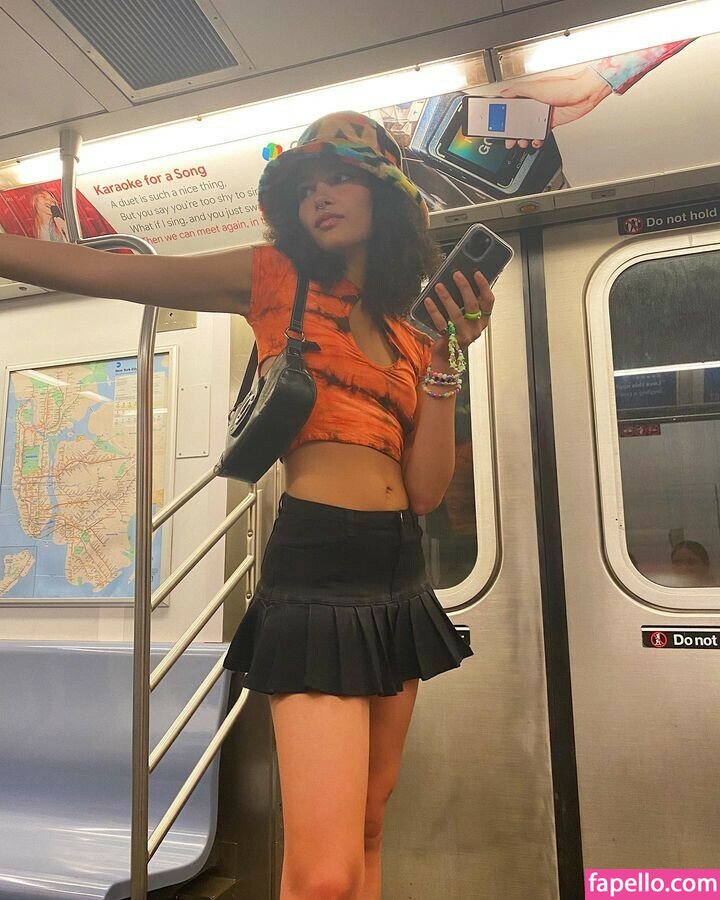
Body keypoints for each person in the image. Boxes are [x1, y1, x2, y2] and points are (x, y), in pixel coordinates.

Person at [0, 110, 494, 899]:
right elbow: (107, 273)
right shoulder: (274, 277)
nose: (320, 194)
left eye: (343, 176)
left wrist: (447, 364)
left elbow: (426, 491)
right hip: (317, 566)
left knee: (370, 825)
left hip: (400, 573)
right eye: (306, 184)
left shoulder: (411, 334)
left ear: (389, 195)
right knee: (323, 875)